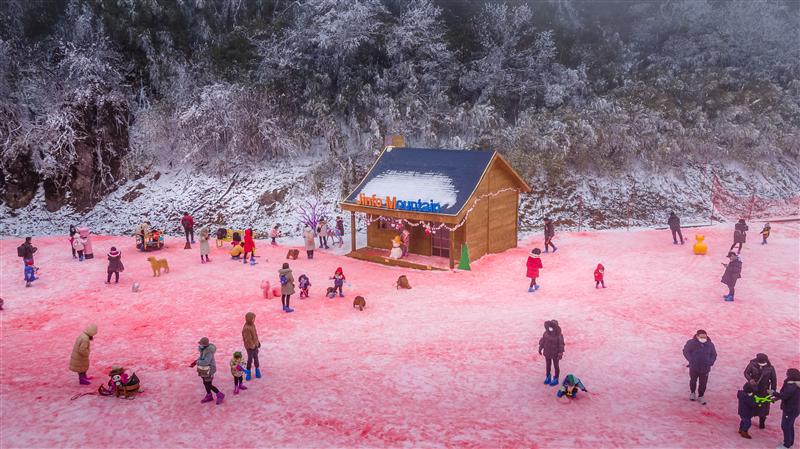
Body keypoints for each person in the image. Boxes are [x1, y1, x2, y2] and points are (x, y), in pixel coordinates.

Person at [682, 329, 717, 405]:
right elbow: (685, 351)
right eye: (701, 337)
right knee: (693, 381)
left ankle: (701, 396)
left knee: (703, 383)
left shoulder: (710, 344)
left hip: (705, 368)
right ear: (697, 336)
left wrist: (710, 362)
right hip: (694, 367)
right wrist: (691, 360)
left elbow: (714, 354)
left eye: (705, 337)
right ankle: (693, 393)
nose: (704, 339)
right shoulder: (691, 343)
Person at [744, 353, 778, 429]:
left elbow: (773, 380)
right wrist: (750, 380)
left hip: (764, 389)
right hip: (753, 388)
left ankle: (762, 421)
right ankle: (747, 420)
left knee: (763, 407)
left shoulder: (770, 368)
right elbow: (746, 373)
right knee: (751, 404)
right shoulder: (752, 364)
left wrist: (773, 391)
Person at [189, 337, 224, 405]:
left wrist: (197, 362)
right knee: (205, 383)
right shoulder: (203, 349)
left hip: (209, 370)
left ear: (204, 344)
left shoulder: (209, 352)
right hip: (204, 369)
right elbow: (201, 358)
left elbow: (206, 362)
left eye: (201, 344)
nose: (200, 345)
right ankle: (209, 395)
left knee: (208, 384)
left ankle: (220, 394)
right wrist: (195, 362)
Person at [773, 368, 800, 449]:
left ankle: (786, 445)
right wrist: (777, 398)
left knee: (785, 426)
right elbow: (785, 395)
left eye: (787, 373)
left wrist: (773, 393)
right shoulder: (795, 384)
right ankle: (790, 442)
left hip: (790, 409)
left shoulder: (792, 386)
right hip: (795, 409)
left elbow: (784, 395)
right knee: (790, 425)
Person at [538, 320, 564, 386]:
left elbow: (561, 345)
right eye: (550, 326)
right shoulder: (546, 333)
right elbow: (543, 341)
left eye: (552, 326)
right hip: (547, 353)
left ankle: (556, 378)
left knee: (556, 366)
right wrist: (540, 348)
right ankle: (548, 376)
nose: (550, 328)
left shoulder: (559, 336)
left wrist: (560, 353)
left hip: (555, 354)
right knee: (548, 365)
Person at [241, 312, 261, 380]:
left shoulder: (252, 325)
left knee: (256, 358)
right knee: (250, 359)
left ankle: (257, 369)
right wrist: (252, 346)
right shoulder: (247, 328)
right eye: (253, 319)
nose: (254, 320)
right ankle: (248, 372)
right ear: (250, 319)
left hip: (255, 345)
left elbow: (255, 334)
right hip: (250, 347)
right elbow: (248, 339)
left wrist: (257, 342)